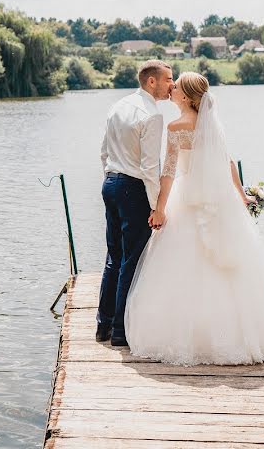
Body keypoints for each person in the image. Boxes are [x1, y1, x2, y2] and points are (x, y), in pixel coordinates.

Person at [124, 72, 264, 365]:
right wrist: (241, 194)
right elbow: (228, 161)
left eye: (177, 86)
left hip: (187, 197)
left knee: (182, 264)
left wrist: (160, 208)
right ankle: (244, 333)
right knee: (228, 265)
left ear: (186, 96)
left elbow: (168, 171)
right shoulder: (212, 125)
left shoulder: (175, 126)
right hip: (218, 199)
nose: (172, 88)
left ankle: (194, 336)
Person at [96, 59, 173, 347]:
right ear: (151, 81)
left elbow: (103, 152)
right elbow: (149, 167)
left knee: (113, 257)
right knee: (131, 259)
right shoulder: (152, 114)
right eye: (168, 79)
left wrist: (110, 179)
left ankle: (102, 325)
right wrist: (157, 208)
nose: (172, 85)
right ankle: (120, 331)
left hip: (111, 183)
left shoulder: (118, 106)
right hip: (133, 189)